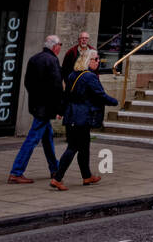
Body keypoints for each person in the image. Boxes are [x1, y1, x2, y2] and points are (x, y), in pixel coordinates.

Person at [50, 51, 117, 189]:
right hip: (81, 117)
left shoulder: (72, 75)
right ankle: (57, 178)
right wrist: (114, 101)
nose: (98, 61)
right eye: (96, 59)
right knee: (73, 147)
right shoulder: (90, 77)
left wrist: (61, 112)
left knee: (84, 147)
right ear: (88, 60)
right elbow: (100, 95)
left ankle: (87, 176)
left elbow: (66, 96)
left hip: (72, 115)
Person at [8, 35, 64, 184]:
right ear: (55, 46)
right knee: (32, 139)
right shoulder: (52, 60)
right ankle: (16, 171)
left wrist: (36, 98)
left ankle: (55, 168)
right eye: (60, 45)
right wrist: (60, 108)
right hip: (45, 108)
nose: (60, 48)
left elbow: (27, 82)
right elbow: (57, 87)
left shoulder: (34, 59)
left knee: (47, 137)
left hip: (36, 105)